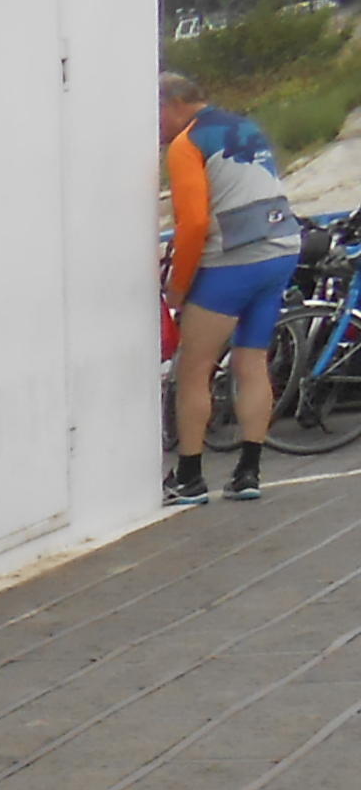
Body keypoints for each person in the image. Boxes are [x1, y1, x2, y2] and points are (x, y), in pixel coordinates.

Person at [162, 70, 304, 506]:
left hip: (234, 260)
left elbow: (194, 224)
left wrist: (177, 286)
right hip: (282, 247)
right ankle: (247, 473)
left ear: (171, 104)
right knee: (251, 360)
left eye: (155, 116)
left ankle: (189, 477)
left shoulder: (187, 143)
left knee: (193, 368)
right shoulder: (246, 126)